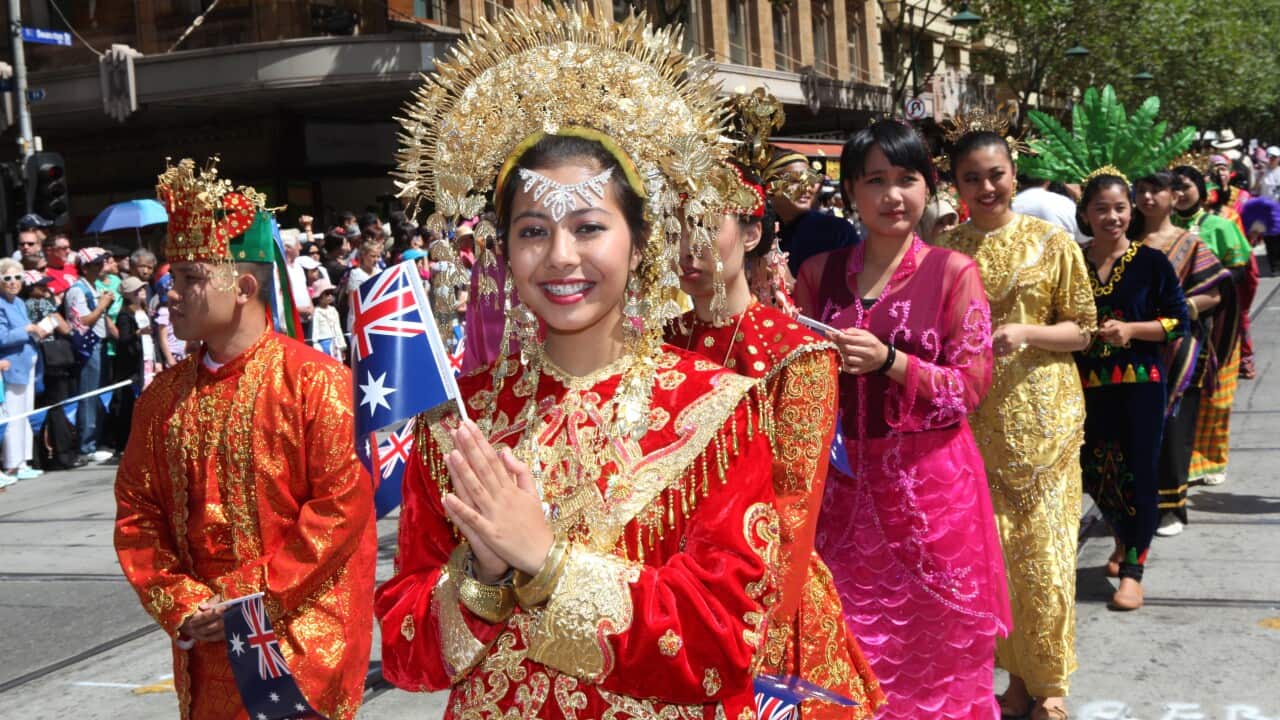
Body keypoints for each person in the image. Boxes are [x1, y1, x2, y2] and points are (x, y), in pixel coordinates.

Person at [375, 7, 779, 717]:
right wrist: (484, 573)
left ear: (639, 241)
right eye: (533, 231)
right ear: (501, 252)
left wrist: (548, 564)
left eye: (589, 227)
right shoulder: (458, 424)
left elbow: (726, 642)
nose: (561, 257)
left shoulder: (717, 408)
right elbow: (405, 650)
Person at [114, 158, 377, 720]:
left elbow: (339, 510)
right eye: (172, 278)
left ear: (244, 286)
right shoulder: (160, 400)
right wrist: (184, 604)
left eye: (190, 278)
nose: (172, 293)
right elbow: (137, 513)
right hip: (207, 647)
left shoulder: (315, 383)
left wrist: (244, 596)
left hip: (297, 643)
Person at [793, 121, 1009, 719]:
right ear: (851, 193)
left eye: (907, 179)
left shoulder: (953, 272)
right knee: (847, 647)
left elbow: (970, 388)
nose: (893, 196)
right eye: (876, 181)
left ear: (929, 187)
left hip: (932, 492)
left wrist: (892, 362)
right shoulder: (818, 275)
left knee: (941, 653)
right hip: (840, 498)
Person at [668, 150, 884, 717]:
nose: (685, 247)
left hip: (758, 597)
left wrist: (748, 616)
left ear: (752, 232)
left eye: (703, 227)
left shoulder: (797, 352)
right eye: (672, 228)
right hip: (662, 597)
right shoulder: (658, 347)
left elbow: (793, 504)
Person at [935, 130, 1096, 720]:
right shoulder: (944, 248)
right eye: (972, 177)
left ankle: (1051, 682)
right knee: (992, 563)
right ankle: (1017, 680)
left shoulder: (1050, 242)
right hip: (973, 423)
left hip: (1046, 420)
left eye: (995, 174)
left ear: (1014, 171)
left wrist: (1026, 333)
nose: (986, 187)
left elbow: (1083, 328)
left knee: (1047, 559)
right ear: (957, 183)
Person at [1072, 171, 1189, 610]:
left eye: (1120, 207)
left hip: (1139, 387)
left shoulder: (1151, 262)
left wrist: (1133, 330)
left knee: (1138, 472)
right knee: (1095, 472)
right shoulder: (1071, 259)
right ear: (1085, 213)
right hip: (1082, 388)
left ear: (1131, 210)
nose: (1112, 217)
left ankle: (1134, 571)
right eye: (1101, 208)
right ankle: (1123, 538)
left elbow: (1180, 321)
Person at [1133, 171, 1232, 538]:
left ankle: (1172, 507)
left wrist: (1177, 308)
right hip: (1133, 348)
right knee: (1136, 430)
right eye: (1140, 191)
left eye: (1154, 190)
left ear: (1173, 197)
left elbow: (1215, 294)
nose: (1146, 197)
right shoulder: (1126, 241)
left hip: (1178, 352)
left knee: (1174, 429)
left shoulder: (1190, 244)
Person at [1171, 165, 1248, 486]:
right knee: (1180, 394)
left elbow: (1240, 274)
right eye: (1172, 186)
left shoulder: (1220, 225)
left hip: (1216, 324)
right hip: (1174, 326)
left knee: (1216, 396)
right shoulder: (1160, 227)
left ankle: (1213, 460)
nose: (1179, 192)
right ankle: (1180, 460)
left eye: (1185, 186)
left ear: (1201, 191)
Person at [768, 149, 861, 276]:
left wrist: (791, 286)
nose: (807, 188)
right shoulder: (757, 231)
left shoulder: (837, 232)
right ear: (769, 187)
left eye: (810, 180)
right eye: (795, 181)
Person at [64, 247, 116, 463]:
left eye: (102, 262)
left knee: (98, 395)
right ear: (84, 268)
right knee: (88, 395)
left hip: (100, 344)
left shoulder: (92, 287)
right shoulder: (77, 290)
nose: (101, 267)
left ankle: (93, 441)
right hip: (88, 347)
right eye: (96, 264)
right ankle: (86, 447)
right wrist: (102, 305)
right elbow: (82, 322)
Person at [22, 271, 78, 470]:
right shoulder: (43, 305)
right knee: (56, 407)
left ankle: (37, 458)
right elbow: (65, 329)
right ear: (30, 287)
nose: (46, 289)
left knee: (35, 409)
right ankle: (63, 455)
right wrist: (57, 315)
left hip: (32, 360)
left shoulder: (21, 306)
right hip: (51, 361)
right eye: (41, 286)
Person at [0, 258, 47, 483]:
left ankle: (23, 461)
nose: (13, 282)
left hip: (28, 362)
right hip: (11, 365)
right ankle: (11, 463)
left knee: (26, 413)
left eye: (17, 277)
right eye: (7, 278)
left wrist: (37, 331)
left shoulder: (18, 302)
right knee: (14, 415)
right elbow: (2, 337)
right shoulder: (0, 304)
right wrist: (26, 329)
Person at [108, 275, 158, 453]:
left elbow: (154, 338)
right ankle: (126, 443)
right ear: (129, 294)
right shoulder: (125, 314)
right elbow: (123, 339)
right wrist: (138, 332)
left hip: (147, 359)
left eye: (143, 288)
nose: (142, 291)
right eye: (138, 290)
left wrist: (156, 360)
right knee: (128, 403)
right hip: (132, 365)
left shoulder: (144, 311)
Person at [1013, 175, 1088, 244]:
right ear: (1048, 179)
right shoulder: (1064, 204)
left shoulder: (1008, 207)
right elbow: (1086, 238)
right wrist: (1080, 199)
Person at [308, 277, 345, 361]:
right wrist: (315, 343)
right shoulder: (317, 312)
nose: (330, 296)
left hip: (335, 343)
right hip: (323, 343)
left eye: (331, 293)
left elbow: (337, 328)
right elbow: (315, 328)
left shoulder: (333, 310)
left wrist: (342, 346)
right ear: (319, 297)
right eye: (327, 294)